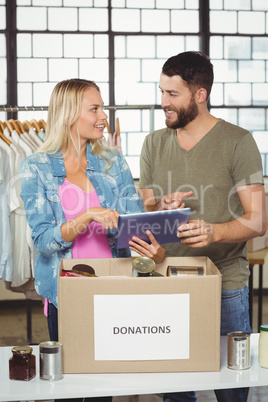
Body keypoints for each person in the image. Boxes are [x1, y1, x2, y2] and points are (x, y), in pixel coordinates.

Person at [20, 78, 165, 402]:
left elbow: (133, 226)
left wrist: (157, 217)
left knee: (104, 384)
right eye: (95, 109)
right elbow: (43, 240)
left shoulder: (114, 163)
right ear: (70, 113)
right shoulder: (36, 168)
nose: (104, 117)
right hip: (67, 291)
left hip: (114, 285)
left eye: (103, 108)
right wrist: (85, 217)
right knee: (70, 385)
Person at [138, 51, 268, 402]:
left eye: (172, 94)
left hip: (224, 282)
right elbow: (146, 206)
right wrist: (160, 207)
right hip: (166, 283)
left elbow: (258, 220)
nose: (163, 102)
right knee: (175, 392)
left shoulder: (238, 142)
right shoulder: (153, 143)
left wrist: (215, 231)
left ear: (200, 94)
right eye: (162, 92)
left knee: (230, 388)